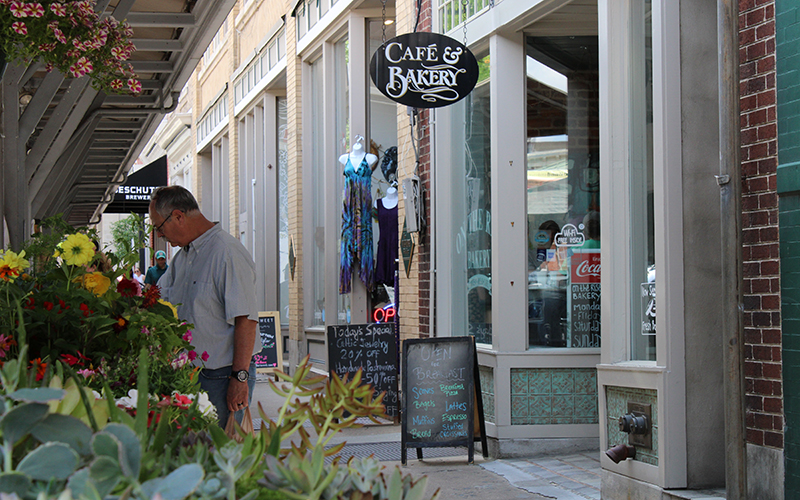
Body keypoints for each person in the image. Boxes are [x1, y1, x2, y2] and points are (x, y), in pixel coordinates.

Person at [149, 185, 262, 427]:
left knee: (221, 453)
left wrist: (239, 379)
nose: (160, 235)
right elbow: (157, 299)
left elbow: (247, 320)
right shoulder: (183, 257)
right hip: (191, 374)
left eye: (159, 227)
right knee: (197, 452)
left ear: (178, 216)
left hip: (222, 376)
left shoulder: (227, 252)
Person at [338, 135, 378, 294]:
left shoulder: (371, 158)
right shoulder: (344, 158)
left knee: (365, 242)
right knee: (347, 242)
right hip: (348, 212)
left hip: (364, 211)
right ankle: (346, 280)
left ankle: (367, 278)